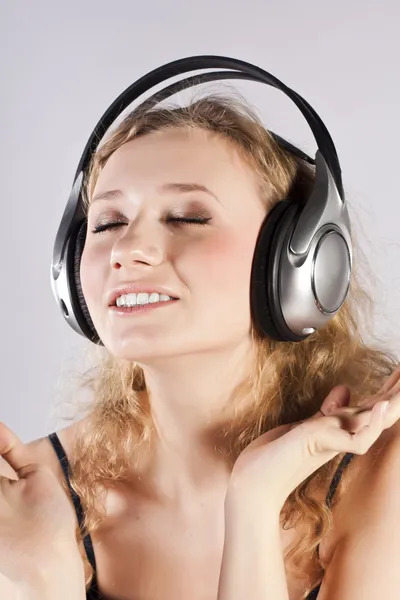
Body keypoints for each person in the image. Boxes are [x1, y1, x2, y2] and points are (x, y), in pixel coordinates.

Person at [1, 92, 400, 600]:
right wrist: (41, 578)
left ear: (301, 268)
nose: (128, 250)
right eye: (108, 222)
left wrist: (254, 501)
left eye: (188, 217)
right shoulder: (33, 492)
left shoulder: (380, 468)